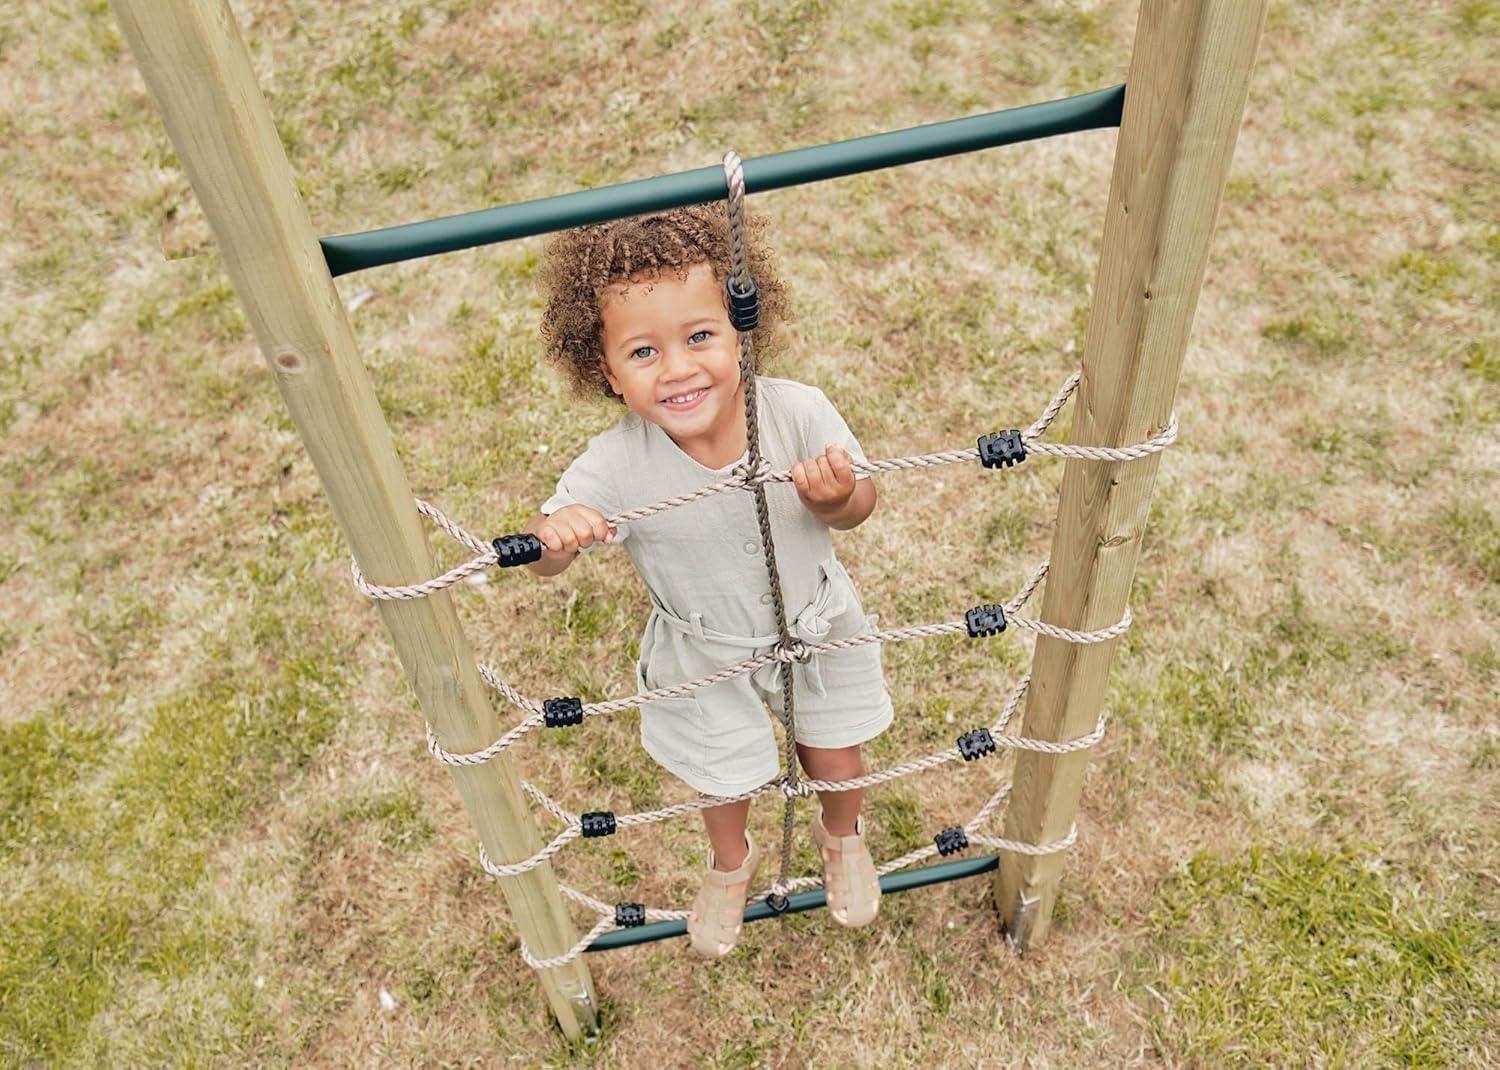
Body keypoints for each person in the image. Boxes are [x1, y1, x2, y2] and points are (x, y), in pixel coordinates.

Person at [522, 205, 892, 956]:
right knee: (724, 781)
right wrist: (554, 538)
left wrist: (835, 497)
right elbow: (544, 550)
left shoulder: (794, 412)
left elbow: (859, 505)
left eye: (700, 336)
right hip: (704, 653)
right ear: (607, 371)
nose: (680, 368)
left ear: (741, 332)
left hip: (815, 627)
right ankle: (730, 868)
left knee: (837, 753)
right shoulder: (616, 464)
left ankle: (842, 838)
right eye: (644, 351)